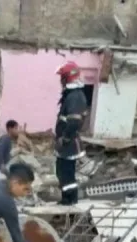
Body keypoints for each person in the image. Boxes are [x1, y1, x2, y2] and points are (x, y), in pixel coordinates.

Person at [54, 61, 88, 205]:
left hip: (68, 143)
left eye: (62, 77)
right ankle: (67, 197)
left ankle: (70, 199)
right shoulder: (73, 95)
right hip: (66, 142)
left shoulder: (74, 96)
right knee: (63, 171)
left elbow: (74, 122)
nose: (60, 81)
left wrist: (65, 138)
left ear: (66, 78)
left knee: (66, 172)